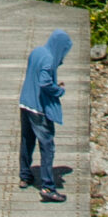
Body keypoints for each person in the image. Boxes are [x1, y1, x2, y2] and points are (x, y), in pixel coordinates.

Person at [17, 28, 71, 201]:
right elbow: (44, 82)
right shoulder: (49, 59)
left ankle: (25, 176)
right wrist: (59, 90)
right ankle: (48, 187)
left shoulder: (38, 51)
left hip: (25, 102)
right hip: (39, 109)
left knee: (27, 140)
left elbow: (37, 74)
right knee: (47, 146)